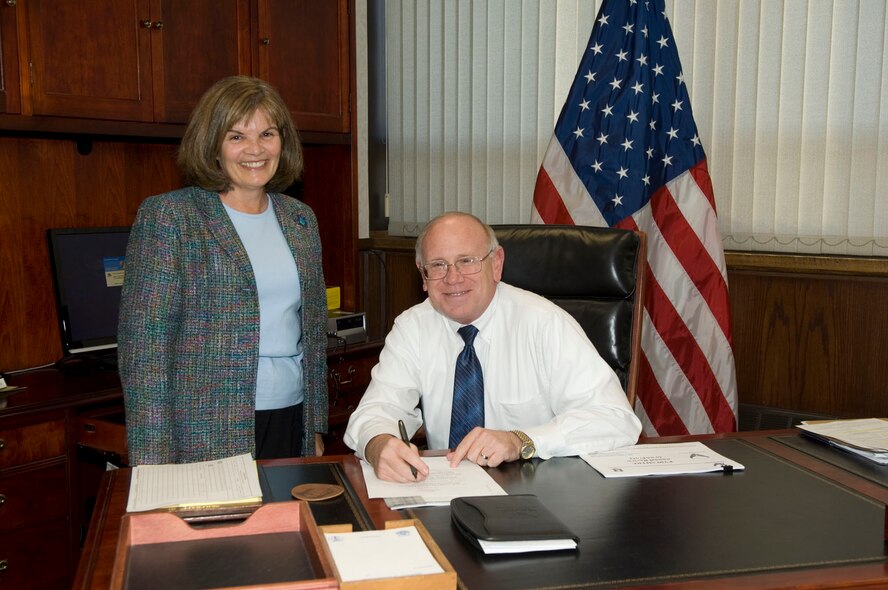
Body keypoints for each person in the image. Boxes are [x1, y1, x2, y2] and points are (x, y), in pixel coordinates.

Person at [119, 76, 328, 465]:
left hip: (290, 416)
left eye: (267, 133)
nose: (255, 149)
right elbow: (144, 351)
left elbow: (312, 334)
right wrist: (153, 461)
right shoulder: (171, 217)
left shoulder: (300, 219)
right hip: (204, 428)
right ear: (212, 143)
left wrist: (313, 426)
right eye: (236, 136)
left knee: (286, 526)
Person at [344, 211, 642, 482]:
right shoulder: (413, 328)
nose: (453, 278)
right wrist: (378, 444)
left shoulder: (544, 323)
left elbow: (616, 419)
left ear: (496, 263)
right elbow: (377, 409)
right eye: (438, 265)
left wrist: (521, 439)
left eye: (467, 261)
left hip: (538, 493)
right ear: (423, 275)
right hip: (446, 490)